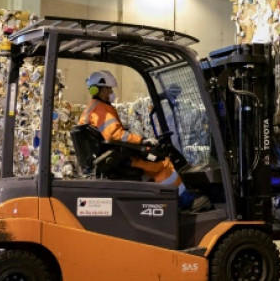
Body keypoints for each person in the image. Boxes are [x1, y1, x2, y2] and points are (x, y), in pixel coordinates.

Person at [78, 70, 209, 212]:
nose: (111, 92)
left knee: (150, 160)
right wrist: (142, 140)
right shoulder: (102, 109)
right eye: (109, 89)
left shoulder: (92, 108)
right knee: (162, 163)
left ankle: (159, 197)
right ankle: (185, 201)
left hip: (110, 156)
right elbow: (116, 135)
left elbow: (111, 134)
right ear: (102, 89)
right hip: (117, 158)